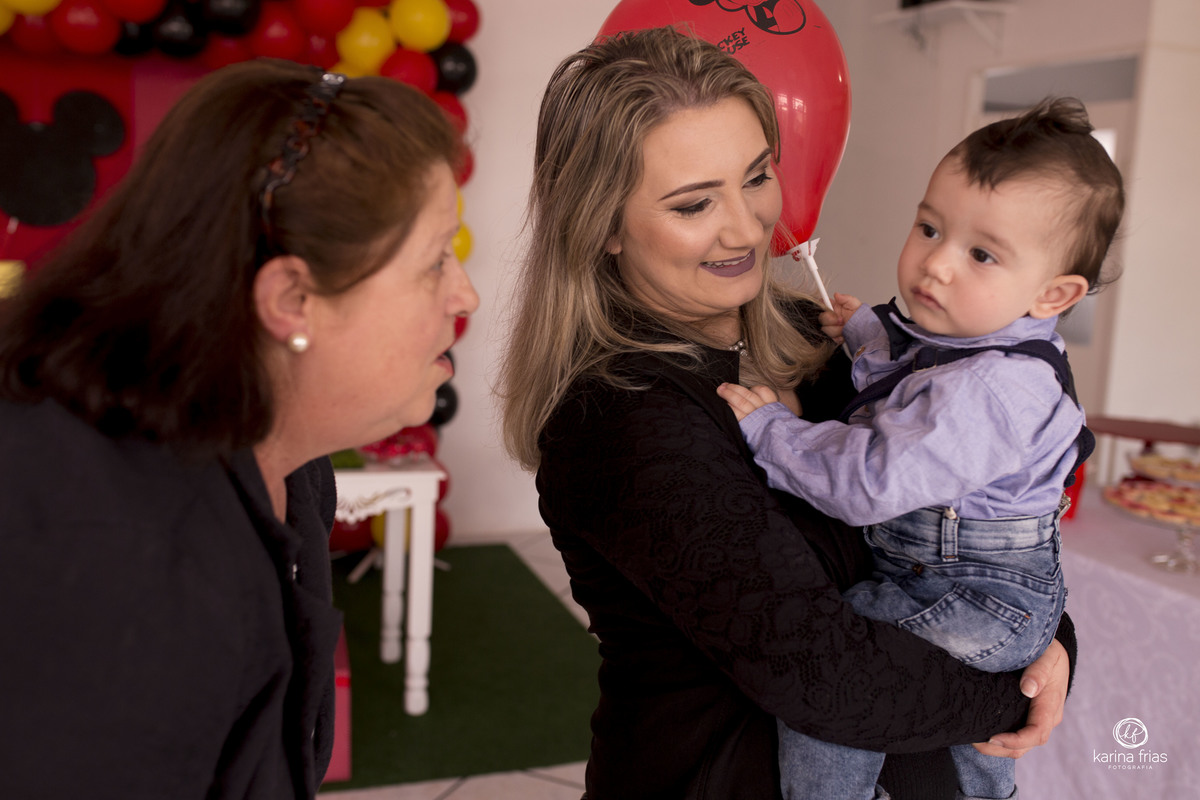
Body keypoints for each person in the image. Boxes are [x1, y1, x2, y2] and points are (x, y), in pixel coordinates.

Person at [498, 26, 1074, 800]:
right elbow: (826, 674)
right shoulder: (620, 420)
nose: (746, 226)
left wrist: (1050, 636)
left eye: (757, 175)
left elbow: (980, 513)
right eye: (695, 202)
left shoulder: (819, 337)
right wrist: (1020, 687)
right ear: (601, 225)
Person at [0, 59, 478, 798]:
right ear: (291, 298)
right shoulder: (120, 576)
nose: (465, 294)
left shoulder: (287, 461)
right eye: (434, 262)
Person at [718, 98, 1123, 800]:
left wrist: (773, 433)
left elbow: (872, 476)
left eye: (981, 253)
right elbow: (913, 354)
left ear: (1053, 293)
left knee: (840, 668)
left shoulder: (999, 390)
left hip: (981, 597)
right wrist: (863, 327)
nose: (935, 264)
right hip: (960, 581)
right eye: (929, 226)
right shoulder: (973, 334)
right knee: (972, 757)